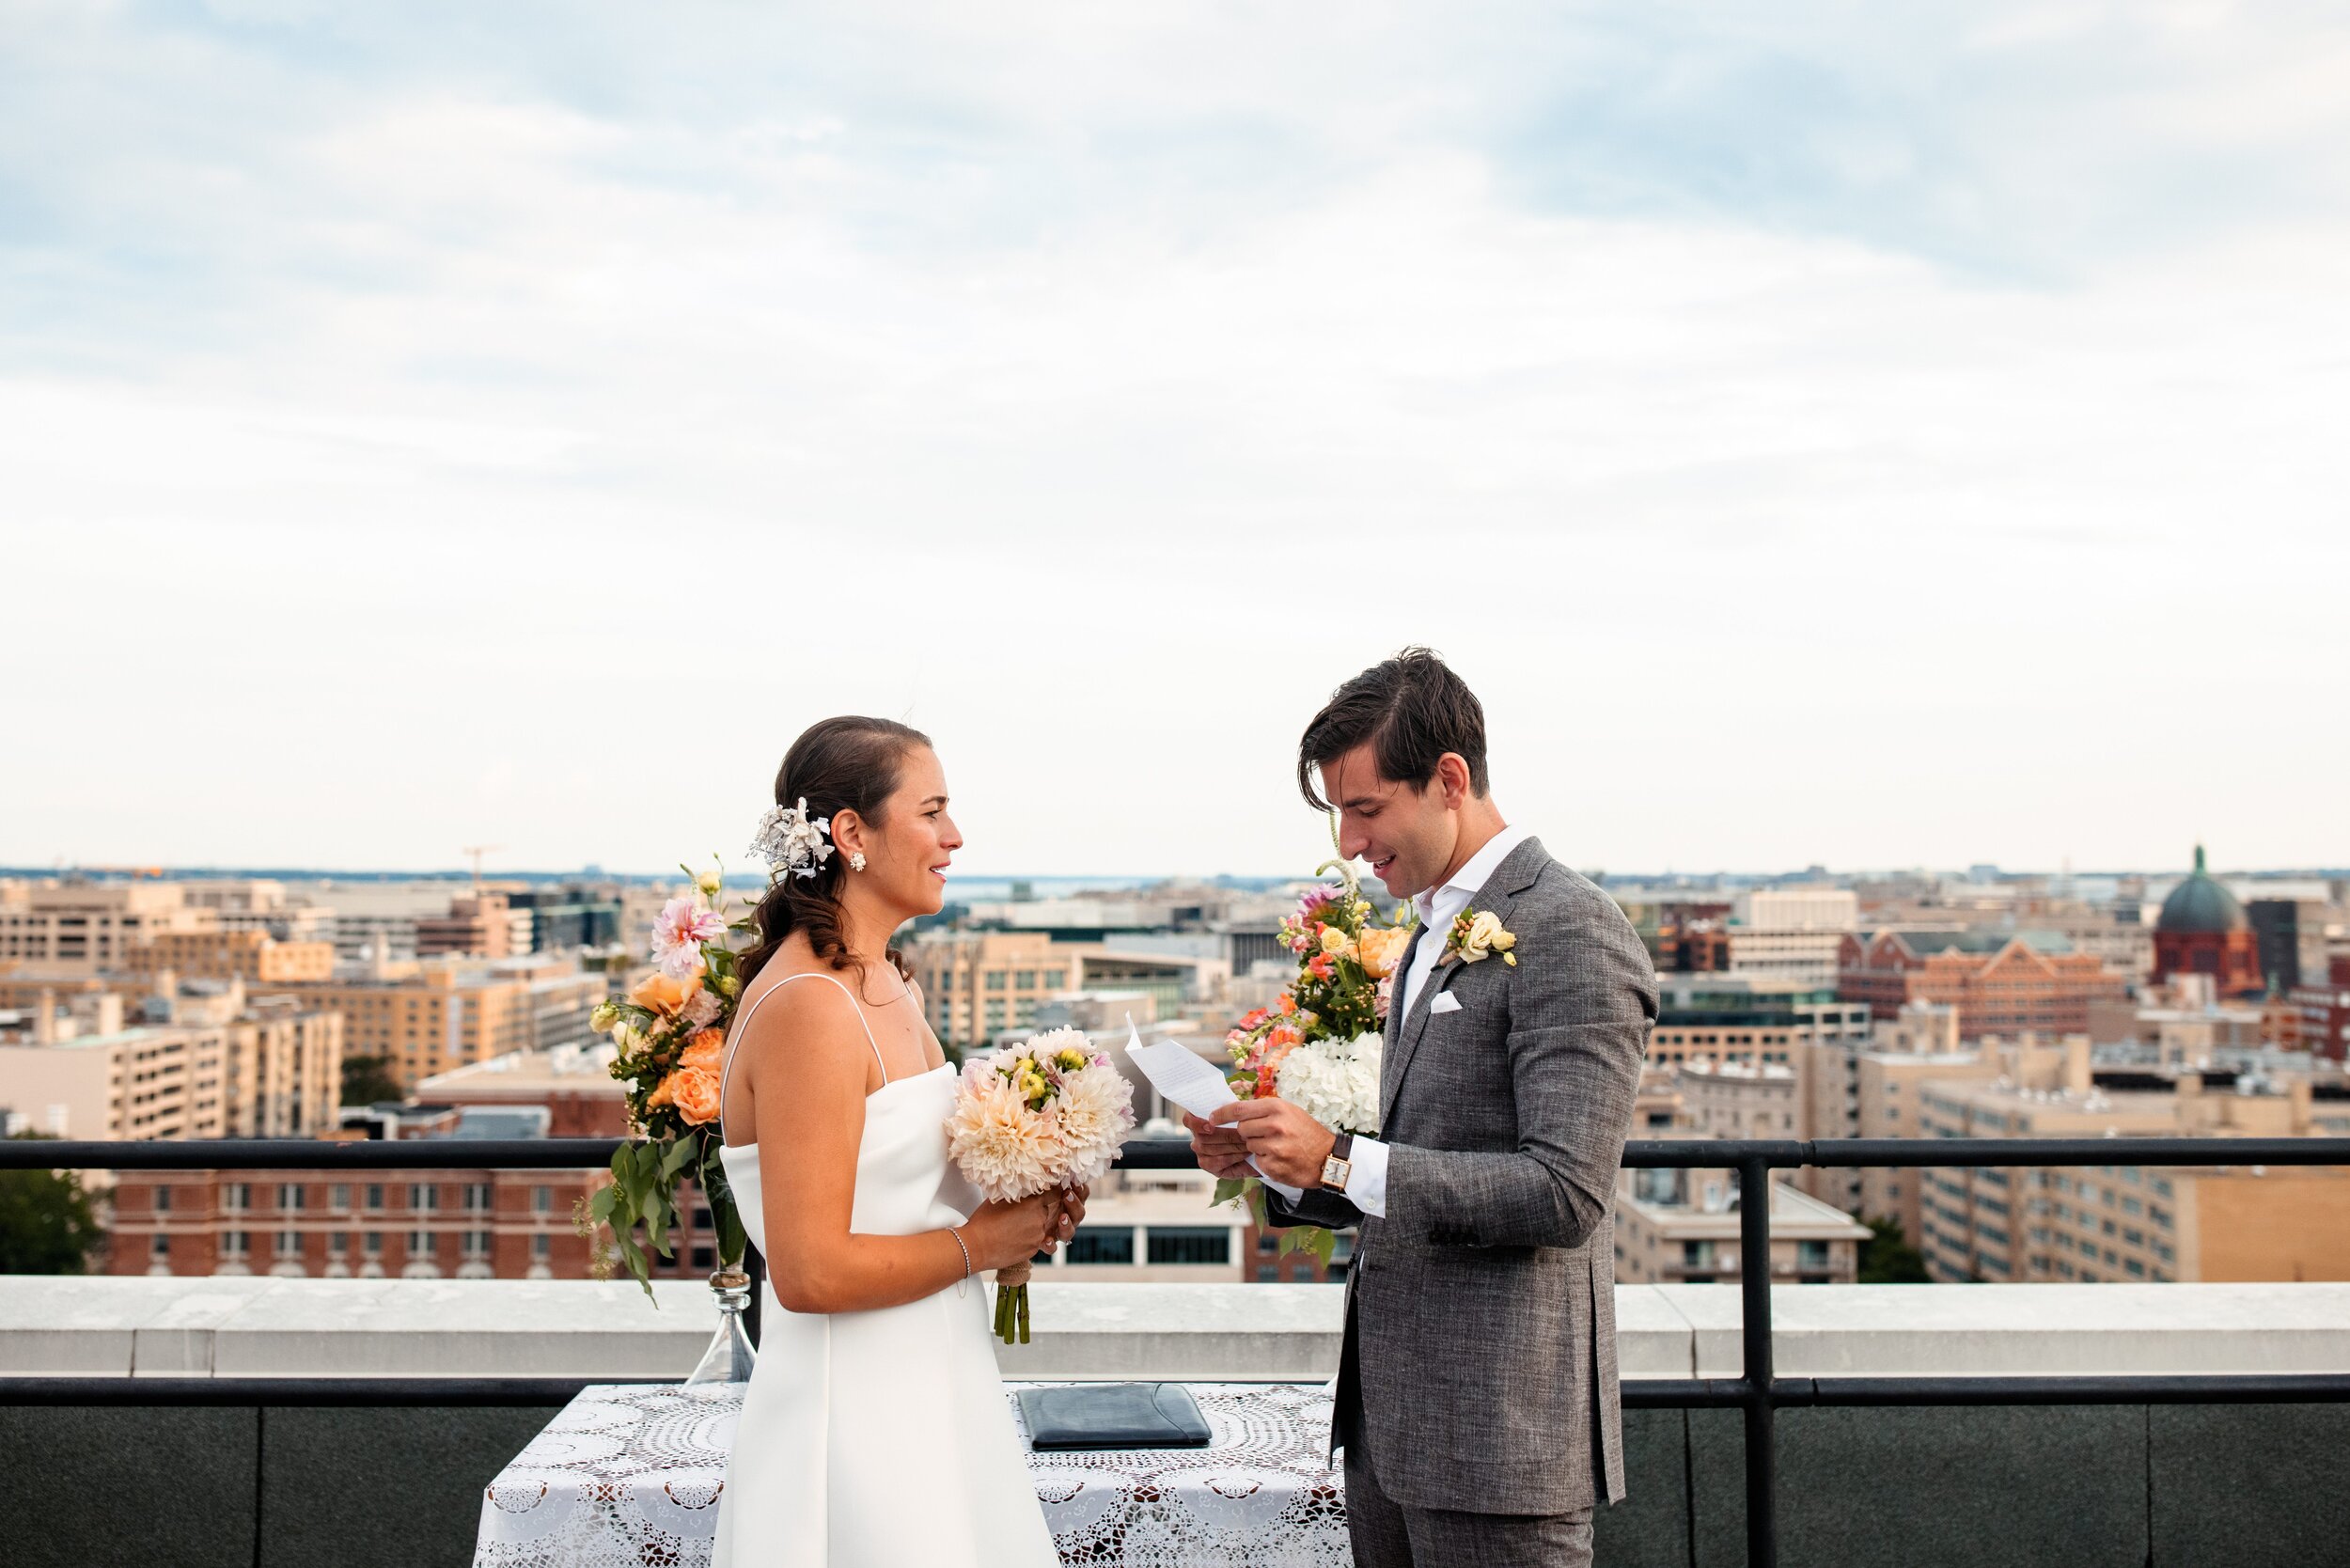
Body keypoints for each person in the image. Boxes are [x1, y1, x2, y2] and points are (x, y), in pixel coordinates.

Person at [1187, 649, 1657, 1568]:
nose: (1351, 845)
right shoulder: (1424, 931)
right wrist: (1279, 1160)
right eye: (1340, 817)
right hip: (1393, 1434)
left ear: (1448, 780)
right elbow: (1414, 1159)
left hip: (1497, 1437)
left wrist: (1336, 1158)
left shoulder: (1568, 924)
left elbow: (1564, 1194)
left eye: (1365, 810)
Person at [712, 715, 1078, 1567]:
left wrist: (1022, 1192)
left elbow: (899, 1190)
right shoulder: (811, 1007)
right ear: (852, 835)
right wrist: (979, 1242)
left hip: (936, 1387)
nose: (955, 836)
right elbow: (806, 1273)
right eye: (933, 811)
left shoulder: (884, 980)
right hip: (856, 1426)